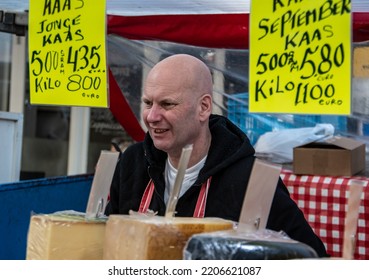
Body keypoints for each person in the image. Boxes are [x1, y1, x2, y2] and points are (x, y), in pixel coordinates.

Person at [104, 54, 328, 257]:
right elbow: (106, 240)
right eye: (147, 102)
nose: (152, 116)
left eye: (167, 104)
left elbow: (311, 259)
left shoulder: (251, 179)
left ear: (203, 107)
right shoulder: (133, 162)